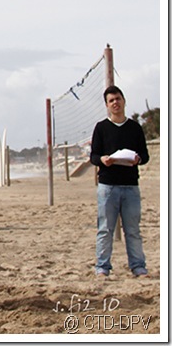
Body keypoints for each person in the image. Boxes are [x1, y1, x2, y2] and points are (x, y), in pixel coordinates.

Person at [89, 85, 149, 278]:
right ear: (107, 105)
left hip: (131, 186)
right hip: (108, 186)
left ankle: (138, 266)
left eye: (118, 99)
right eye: (111, 100)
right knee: (105, 229)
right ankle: (102, 267)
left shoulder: (134, 127)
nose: (115, 103)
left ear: (124, 101)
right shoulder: (101, 127)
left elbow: (145, 155)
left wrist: (138, 159)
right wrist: (103, 160)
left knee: (132, 230)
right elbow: (94, 156)